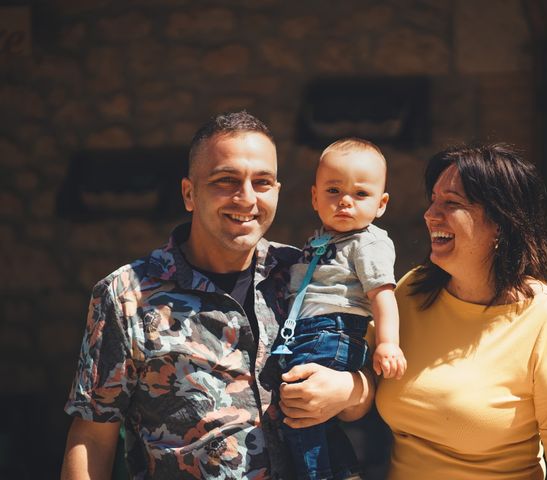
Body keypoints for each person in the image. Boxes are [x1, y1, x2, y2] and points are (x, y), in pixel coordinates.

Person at [60, 111, 374, 480]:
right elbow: (93, 437)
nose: (246, 199)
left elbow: (365, 391)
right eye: (226, 181)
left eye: (262, 182)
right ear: (189, 194)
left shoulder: (308, 274)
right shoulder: (127, 295)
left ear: (277, 191)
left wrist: (350, 388)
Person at [374, 144, 547, 479]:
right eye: (433, 199)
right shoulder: (412, 290)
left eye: (451, 203)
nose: (431, 214)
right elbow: (360, 368)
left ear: (501, 223)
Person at [275, 138, 406, 480]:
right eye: (334, 190)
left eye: (360, 194)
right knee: (314, 415)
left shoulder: (369, 242)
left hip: (332, 332)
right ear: (314, 196)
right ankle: (344, 472)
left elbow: (383, 295)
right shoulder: (322, 239)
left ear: (381, 203)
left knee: (298, 413)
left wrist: (388, 343)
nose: (345, 201)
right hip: (309, 334)